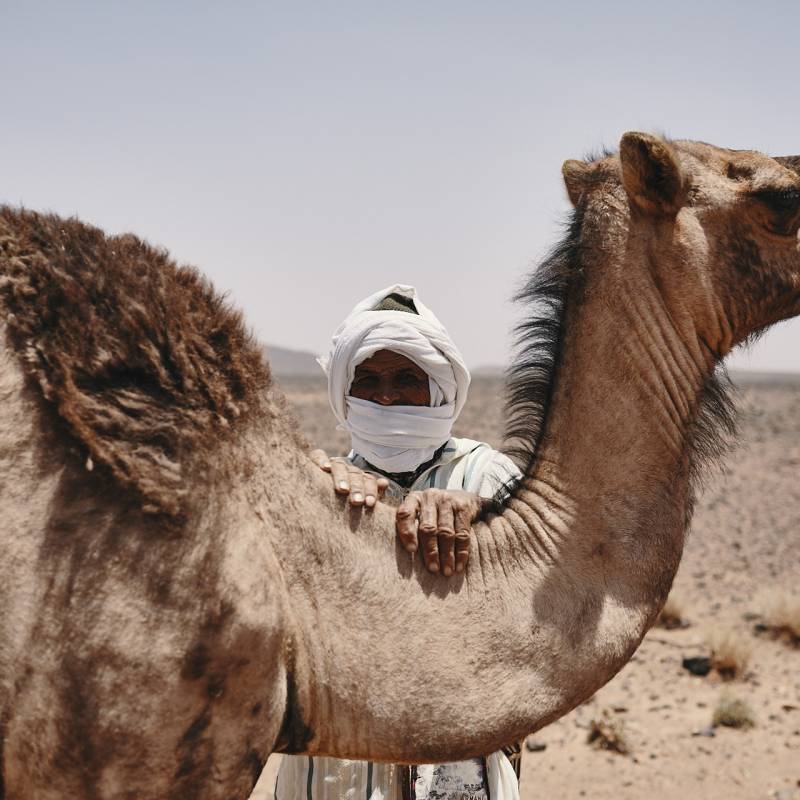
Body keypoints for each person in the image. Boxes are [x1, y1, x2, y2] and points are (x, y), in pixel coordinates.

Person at [275, 285, 522, 800]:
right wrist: (306, 497)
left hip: (458, 764)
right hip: (331, 775)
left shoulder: (489, 477)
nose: (385, 397)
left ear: (439, 388)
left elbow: (548, 591)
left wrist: (482, 513)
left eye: (406, 378)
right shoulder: (323, 483)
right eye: (367, 381)